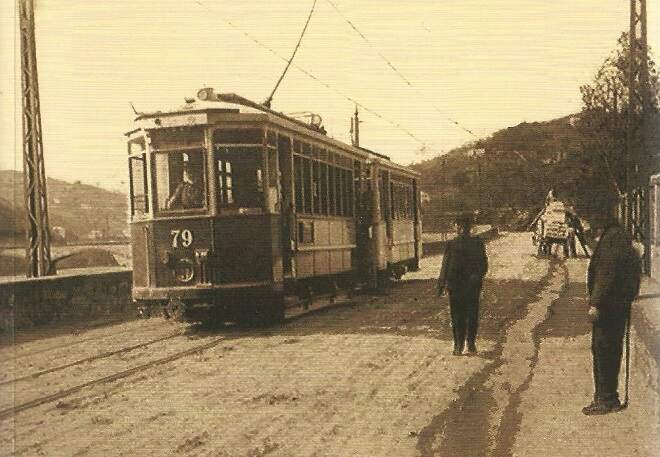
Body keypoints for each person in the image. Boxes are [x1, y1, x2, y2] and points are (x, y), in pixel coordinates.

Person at [583, 201, 642, 415]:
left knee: (604, 350)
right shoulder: (618, 237)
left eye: (592, 219)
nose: (590, 223)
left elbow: (606, 274)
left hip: (609, 305)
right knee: (608, 350)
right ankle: (606, 397)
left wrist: (595, 303)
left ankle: (606, 399)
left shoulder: (612, 240)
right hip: (617, 303)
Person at [437, 213, 489, 355]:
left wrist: (476, 276)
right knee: (461, 316)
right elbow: (445, 266)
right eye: (460, 226)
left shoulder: (475, 243)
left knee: (467, 316)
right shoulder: (453, 244)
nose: (462, 229)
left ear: (467, 227)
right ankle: (461, 344)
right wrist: (442, 283)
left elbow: (483, 264)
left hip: (467, 285)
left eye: (464, 226)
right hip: (459, 285)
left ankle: (467, 344)